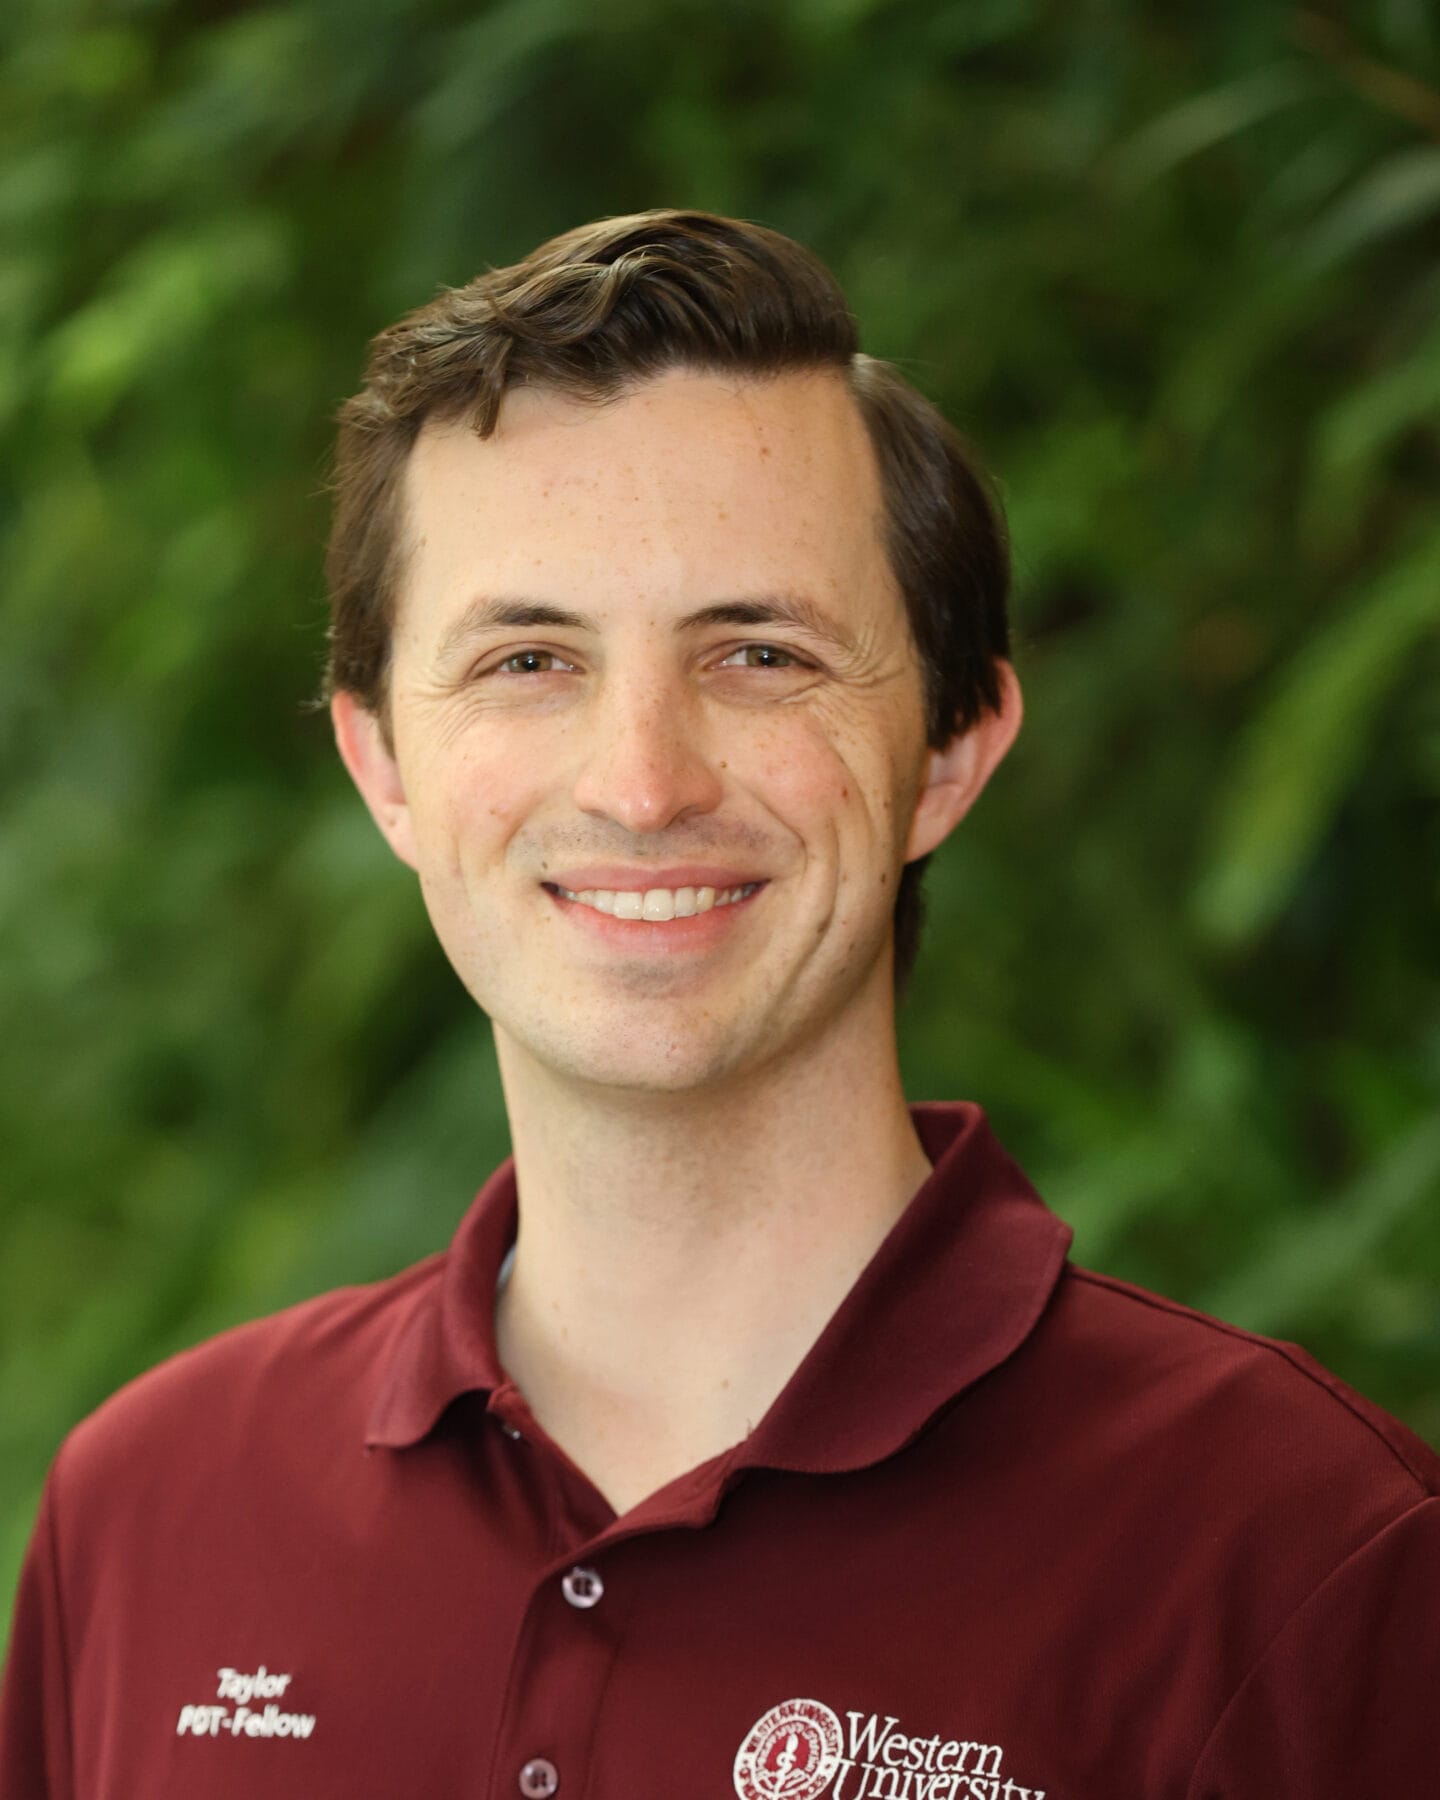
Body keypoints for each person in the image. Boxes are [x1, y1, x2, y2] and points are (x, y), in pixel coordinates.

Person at [1, 209, 1435, 1800]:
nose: (643, 784)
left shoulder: (1308, 1563)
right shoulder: (149, 1513)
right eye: (529, 661)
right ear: (382, 764)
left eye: (759, 654)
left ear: (949, 754)